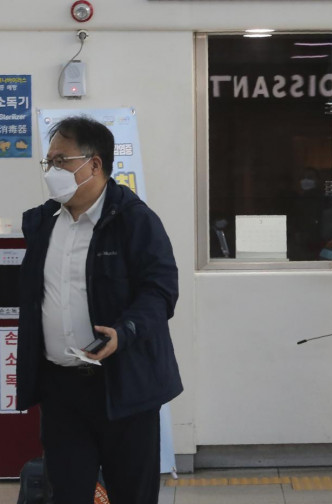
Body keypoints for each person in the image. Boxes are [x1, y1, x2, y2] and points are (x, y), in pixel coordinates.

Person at [16, 116, 183, 504]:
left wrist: (125, 332)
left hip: (125, 386)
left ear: (94, 164)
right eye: (49, 162)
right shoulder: (42, 223)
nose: (52, 170)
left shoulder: (135, 221)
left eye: (62, 160)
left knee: (130, 495)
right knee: (68, 494)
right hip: (62, 391)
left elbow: (160, 291)